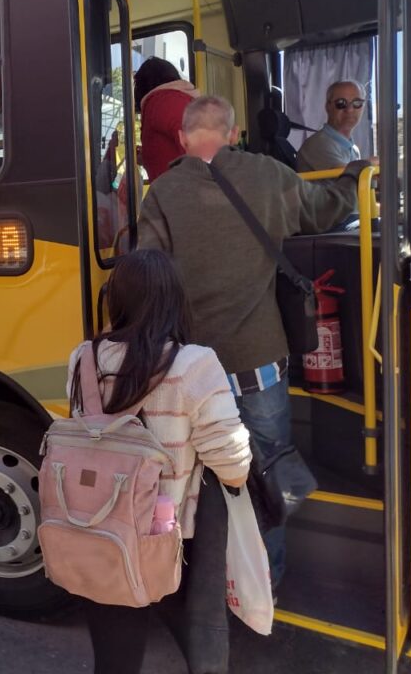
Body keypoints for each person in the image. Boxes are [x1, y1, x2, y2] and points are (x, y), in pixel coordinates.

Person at [137, 95, 371, 589]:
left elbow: (148, 274)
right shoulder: (267, 174)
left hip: (190, 373)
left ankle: (206, 588)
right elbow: (326, 210)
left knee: (199, 482)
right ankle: (265, 584)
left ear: (181, 138)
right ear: (233, 131)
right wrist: (354, 174)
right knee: (265, 479)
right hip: (259, 365)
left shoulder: (161, 192)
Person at [68, 249, 251, 674]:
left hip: (98, 523)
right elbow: (232, 461)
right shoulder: (194, 363)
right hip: (166, 537)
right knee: (196, 635)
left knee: (115, 657)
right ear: (175, 300)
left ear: (118, 299)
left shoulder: (85, 358)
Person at [133, 56, 199, 181]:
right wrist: (148, 155)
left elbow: (195, 149)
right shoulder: (177, 100)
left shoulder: (162, 102)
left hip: (179, 194)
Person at [296, 80, 366, 173]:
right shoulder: (318, 144)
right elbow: (348, 178)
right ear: (328, 107)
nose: (349, 110)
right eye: (341, 103)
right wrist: (370, 164)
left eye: (357, 103)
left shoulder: (354, 149)